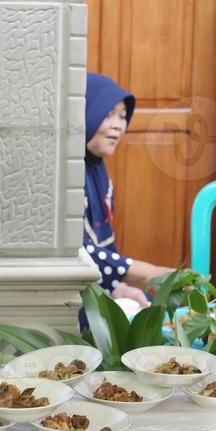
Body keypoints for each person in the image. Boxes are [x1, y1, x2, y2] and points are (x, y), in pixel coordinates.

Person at [81, 72, 177, 307]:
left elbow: (103, 245)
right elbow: (78, 253)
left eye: (123, 116)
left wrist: (117, 287)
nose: (118, 125)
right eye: (108, 114)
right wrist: (148, 273)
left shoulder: (97, 171)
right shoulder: (65, 172)